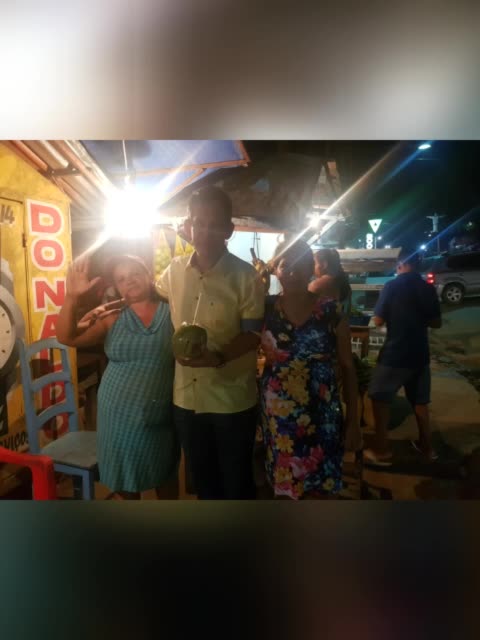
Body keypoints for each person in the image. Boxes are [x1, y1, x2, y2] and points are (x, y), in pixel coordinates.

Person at [156, 186, 265, 500]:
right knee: (203, 484)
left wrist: (216, 357)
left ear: (229, 230)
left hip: (231, 400)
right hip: (186, 399)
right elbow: (152, 297)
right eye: (198, 223)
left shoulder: (246, 277)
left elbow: (252, 335)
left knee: (236, 484)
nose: (205, 231)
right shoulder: (174, 270)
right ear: (188, 225)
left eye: (214, 224)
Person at [56, 254, 180, 499]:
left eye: (135, 274)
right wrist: (71, 298)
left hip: (161, 412)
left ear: (149, 275)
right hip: (117, 414)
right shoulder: (111, 317)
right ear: (117, 287)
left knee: (165, 474)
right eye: (121, 279)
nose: (129, 281)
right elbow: (66, 337)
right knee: (124, 479)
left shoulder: (174, 311)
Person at [259, 239, 361, 500]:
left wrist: (353, 422)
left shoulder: (331, 311)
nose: (292, 270)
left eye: (300, 263)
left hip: (322, 416)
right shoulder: (263, 308)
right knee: (285, 490)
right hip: (279, 420)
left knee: (322, 489)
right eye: (285, 264)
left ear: (311, 268)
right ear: (275, 269)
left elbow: (348, 367)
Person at [363, 248, 442, 466]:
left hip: (395, 352)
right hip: (420, 353)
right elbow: (436, 323)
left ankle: (382, 450)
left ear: (400, 264)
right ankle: (427, 448)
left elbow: (378, 320)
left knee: (379, 397)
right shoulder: (427, 288)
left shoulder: (392, 286)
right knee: (420, 401)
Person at [309, 248, 352, 315]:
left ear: (324, 264)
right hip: (340, 321)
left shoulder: (316, 285)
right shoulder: (344, 283)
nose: (313, 267)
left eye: (314, 263)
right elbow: (347, 312)